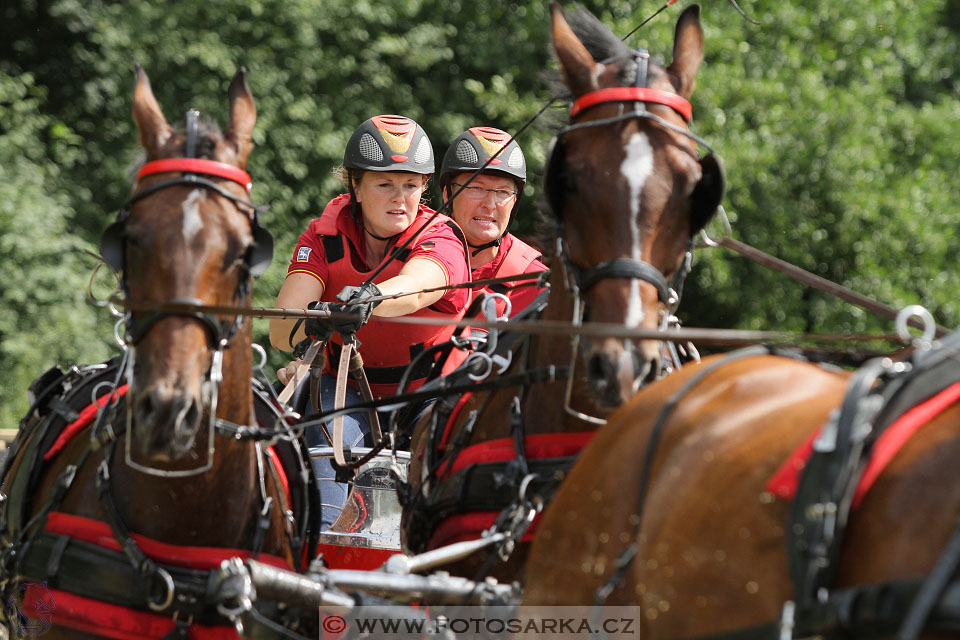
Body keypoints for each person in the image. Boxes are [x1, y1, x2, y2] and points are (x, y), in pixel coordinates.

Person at [269, 114, 470, 528]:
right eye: (385, 184)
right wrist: (315, 321)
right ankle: (318, 554)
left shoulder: (441, 233)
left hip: (430, 392)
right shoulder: (324, 235)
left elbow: (417, 286)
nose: (401, 198)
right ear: (355, 187)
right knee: (324, 446)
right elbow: (281, 327)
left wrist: (370, 297)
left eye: (411, 185)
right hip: (346, 387)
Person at [439, 126, 547, 322]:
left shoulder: (537, 285)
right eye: (476, 188)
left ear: (514, 202)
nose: (489, 205)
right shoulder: (412, 261)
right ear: (448, 195)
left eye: (503, 192)